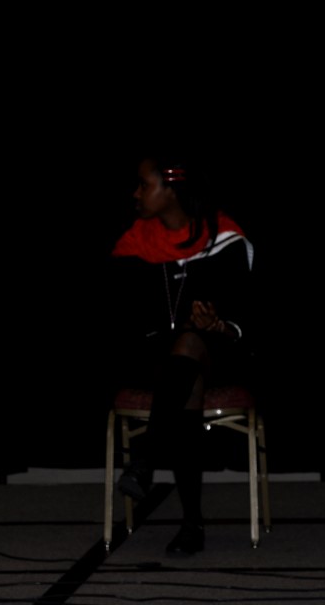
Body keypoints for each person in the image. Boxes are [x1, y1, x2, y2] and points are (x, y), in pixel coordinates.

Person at [109, 153, 253, 556]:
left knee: (191, 347)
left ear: (171, 189)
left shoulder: (224, 240)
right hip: (155, 359)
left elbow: (245, 319)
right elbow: (122, 320)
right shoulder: (135, 244)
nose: (136, 194)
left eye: (144, 185)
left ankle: (145, 459)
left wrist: (215, 324)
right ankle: (190, 522)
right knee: (184, 367)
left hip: (219, 355)